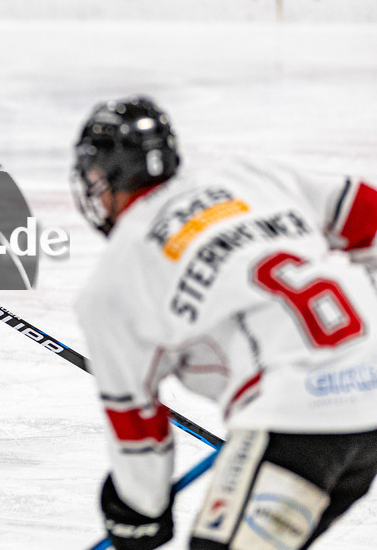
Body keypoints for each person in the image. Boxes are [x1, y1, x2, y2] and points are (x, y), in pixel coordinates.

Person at [70, 96, 377, 549]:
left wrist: (138, 509)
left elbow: (135, 419)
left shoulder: (116, 275)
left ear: (109, 179)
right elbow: (366, 213)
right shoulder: (247, 177)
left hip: (293, 418)